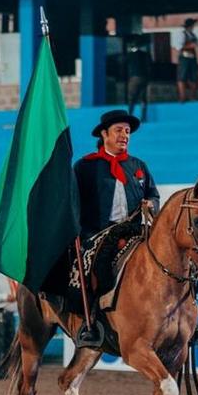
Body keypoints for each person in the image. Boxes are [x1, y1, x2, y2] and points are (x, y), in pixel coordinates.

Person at [71, 109, 160, 349]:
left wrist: (151, 204)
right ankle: (91, 324)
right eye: (119, 130)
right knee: (99, 268)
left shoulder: (138, 166)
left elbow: (152, 193)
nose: (125, 135)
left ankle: (177, 321)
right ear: (104, 134)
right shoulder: (85, 167)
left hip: (134, 230)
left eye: (127, 131)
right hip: (98, 233)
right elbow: (73, 202)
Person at [124, 35, 152, 122]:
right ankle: (143, 117)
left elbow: (125, 66)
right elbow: (149, 66)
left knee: (131, 97)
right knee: (143, 97)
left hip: (134, 77)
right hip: (144, 78)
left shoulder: (129, 55)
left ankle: (130, 115)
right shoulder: (145, 54)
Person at [176, 18, 198, 103]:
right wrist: (190, 46)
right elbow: (178, 47)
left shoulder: (193, 35)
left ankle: (193, 97)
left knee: (193, 77)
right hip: (184, 58)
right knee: (182, 77)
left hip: (192, 58)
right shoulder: (182, 35)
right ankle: (182, 97)